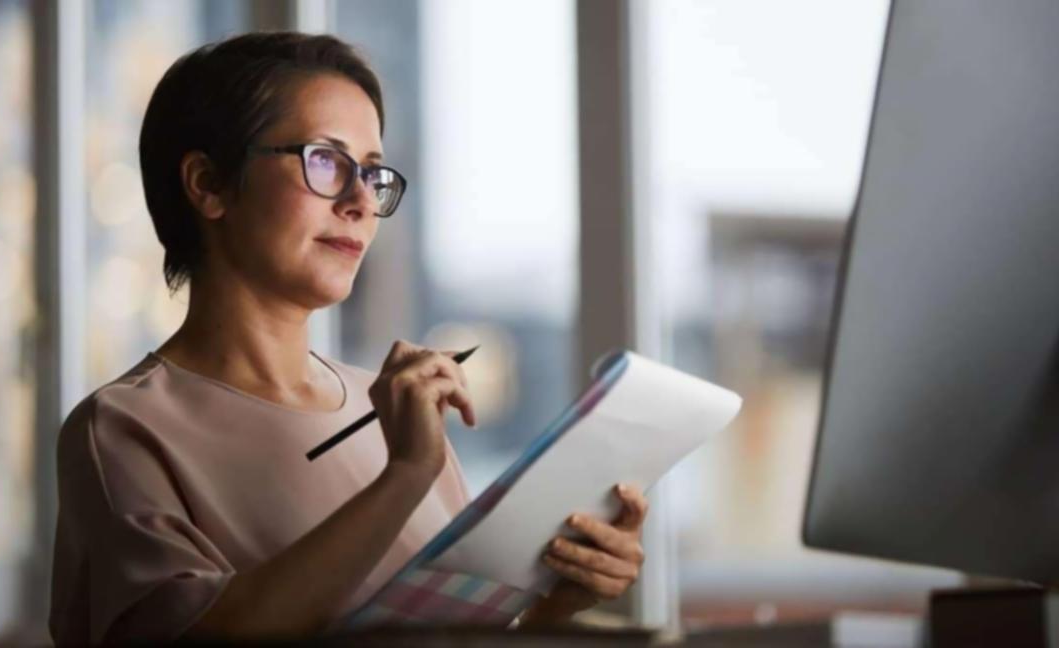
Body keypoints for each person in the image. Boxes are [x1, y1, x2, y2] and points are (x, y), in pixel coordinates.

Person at [48, 31, 648, 645]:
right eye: (326, 161)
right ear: (208, 184)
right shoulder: (122, 429)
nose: (362, 201)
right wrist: (406, 473)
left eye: (372, 172)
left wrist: (555, 608)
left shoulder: (388, 407)